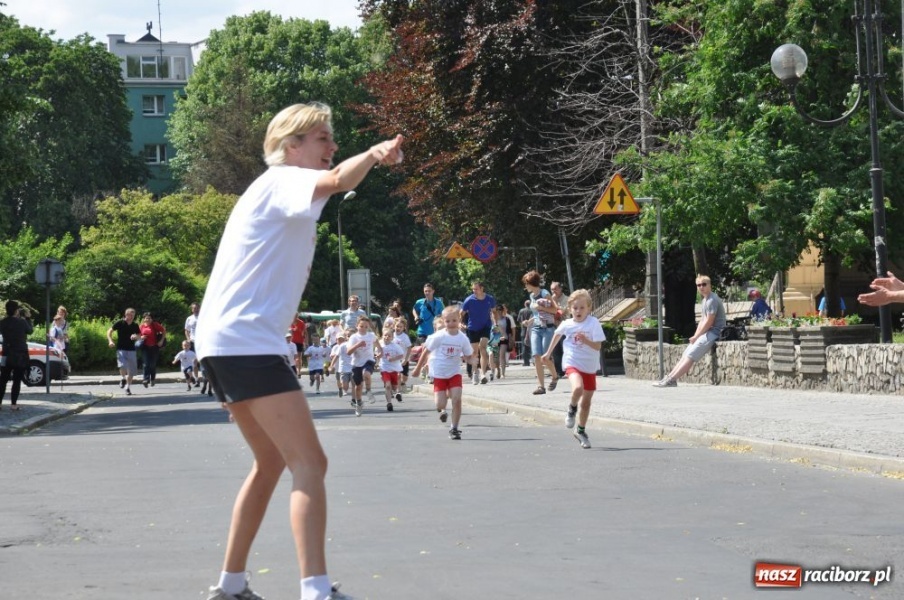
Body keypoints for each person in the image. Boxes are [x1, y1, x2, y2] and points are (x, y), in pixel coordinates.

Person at [194, 101, 404, 600]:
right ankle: (315, 590)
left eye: (332, 139)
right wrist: (373, 153)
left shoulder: (272, 190)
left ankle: (230, 585)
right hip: (245, 343)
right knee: (310, 463)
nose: (331, 146)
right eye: (323, 138)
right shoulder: (283, 180)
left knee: (270, 462)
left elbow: (329, 182)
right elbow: (337, 181)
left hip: (224, 343)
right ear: (292, 146)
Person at [542, 289, 605, 449]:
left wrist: (585, 340)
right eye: (575, 308)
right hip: (572, 362)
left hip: (589, 366)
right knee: (578, 387)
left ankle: (581, 431)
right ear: (570, 309)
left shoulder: (593, 323)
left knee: (586, 403)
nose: (578, 311)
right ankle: (571, 409)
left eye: (582, 308)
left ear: (589, 308)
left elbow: (597, 346)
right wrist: (548, 353)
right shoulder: (567, 324)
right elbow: (557, 335)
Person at [411, 306, 475, 440]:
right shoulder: (439, 336)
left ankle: (455, 428)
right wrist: (417, 368)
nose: (451, 324)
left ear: (459, 320)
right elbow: (426, 352)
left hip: (454, 372)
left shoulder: (462, 338)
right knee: (440, 404)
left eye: (454, 320)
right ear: (444, 321)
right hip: (439, 373)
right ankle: (442, 408)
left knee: (457, 399)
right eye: (448, 321)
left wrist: (472, 360)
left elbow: (468, 355)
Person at [654, 275, 726, 387]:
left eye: (704, 284)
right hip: (707, 332)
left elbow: (709, 322)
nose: (701, 287)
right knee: (686, 353)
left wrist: (697, 337)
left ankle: (672, 380)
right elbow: (702, 321)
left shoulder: (712, 300)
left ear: (710, 285)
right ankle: (669, 378)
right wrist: (695, 336)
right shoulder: (705, 300)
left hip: (715, 333)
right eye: (699, 285)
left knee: (691, 355)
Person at [522, 270, 559, 394]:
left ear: (530, 283)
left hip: (548, 328)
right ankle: (541, 386)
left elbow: (554, 310)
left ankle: (555, 376)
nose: (525, 286)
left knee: (545, 357)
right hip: (536, 328)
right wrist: (529, 321)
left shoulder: (544, 293)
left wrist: (542, 307)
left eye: (526, 284)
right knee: (536, 356)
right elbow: (537, 313)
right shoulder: (532, 296)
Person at [460, 280, 496, 385]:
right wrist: (461, 323)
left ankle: (483, 374)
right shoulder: (469, 300)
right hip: (472, 328)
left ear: (481, 288)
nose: (474, 291)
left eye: (476, 289)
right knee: (474, 352)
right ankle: (475, 373)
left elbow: (493, 312)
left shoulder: (490, 299)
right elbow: (461, 313)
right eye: (473, 289)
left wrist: (496, 323)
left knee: (483, 348)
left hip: (485, 326)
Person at [0, 301, 33, 410]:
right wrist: (28, 318)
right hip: (19, 354)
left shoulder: (3, 322)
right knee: (17, 380)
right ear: (16, 310)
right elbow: (30, 331)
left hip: (6, 354)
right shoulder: (22, 322)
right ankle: (13, 404)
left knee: (3, 380)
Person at [346, 316, 381, 414]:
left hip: (369, 360)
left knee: (366, 374)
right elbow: (348, 352)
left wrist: (380, 352)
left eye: (366, 326)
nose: (364, 328)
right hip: (356, 363)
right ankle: (359, 403)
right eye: (361, 326)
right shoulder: (354, 337)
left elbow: (378, 345)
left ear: (369, 326)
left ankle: (369, 391)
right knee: (358, 387)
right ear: (357, 326)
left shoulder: (371, 335)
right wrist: (358, 345)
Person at [107, 308, 141, 396]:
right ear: (126, 315)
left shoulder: (135, 325)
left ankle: (128, 387)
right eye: (131, 315)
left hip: (131, 349)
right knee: (122, 366)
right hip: (121, 348)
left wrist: (136, 336)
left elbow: (139, 335)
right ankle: (123, 378)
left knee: (131, 371)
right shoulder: (120, 323)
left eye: (133, 315)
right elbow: (109, 331)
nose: (132, 317)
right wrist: (110, 341)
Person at [377, 327, 404, 411]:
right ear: (382, 336)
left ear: (392, 337)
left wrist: (393, 359)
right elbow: (378, 355)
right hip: (384, 368)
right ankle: (389, 403)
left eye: (389, 336)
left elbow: (401, 355)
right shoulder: (380, 345)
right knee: (388, 386)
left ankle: (396, 393)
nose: (387, 337)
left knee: (394, 386)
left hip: (394, 369)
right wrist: (377, 358)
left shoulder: (395, 346)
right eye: (385, 335)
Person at [138, 312, 166, 388]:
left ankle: (152, 379)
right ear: (143, 319)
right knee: (146, 364)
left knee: (152, 365)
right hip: (145, 347)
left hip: (154, 347)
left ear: (152, 319)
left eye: (149, 318)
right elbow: (138, 336)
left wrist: (161, 341)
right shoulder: (141, 327)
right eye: (146, 318)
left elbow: (163, 331)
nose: (148, 319)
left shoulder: (155, 325)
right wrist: (141, 337)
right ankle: (146, 379)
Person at [550, 282, 568, 378]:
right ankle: (558, 371)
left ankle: (566, 370)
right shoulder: (550, 299)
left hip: (564, 328)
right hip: (553, 327)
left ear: (560, 289)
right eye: (552, 289)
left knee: (564, 349)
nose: (553, 291)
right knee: (555, 351)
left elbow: (562, 311)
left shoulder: (566, 299)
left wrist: (554, 303)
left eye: (555, 289)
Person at [328, 331, 353, 399]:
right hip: (339, 367)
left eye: (341, 339)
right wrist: (331, 366)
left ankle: (354, 398)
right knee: (340, 381)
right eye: (339, 339)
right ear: (336, 340)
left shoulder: (353, 345)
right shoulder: (336, 347)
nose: (340, 341)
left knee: (353, 383)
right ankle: (341, 389)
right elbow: (334, 356)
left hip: (351, 368)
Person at [392, 317, 412, 394]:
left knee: (405, 375)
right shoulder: (391, 335)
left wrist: (406, 359)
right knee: (397, 374)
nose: (398, 328)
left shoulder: (405, 337)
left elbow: (409, 348)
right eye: (397, 326)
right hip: (395, 359)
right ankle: (397, 388)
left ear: (404, 328)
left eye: (400, 327)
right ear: (394, 326)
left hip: (404, 359)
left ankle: (403, 383)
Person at [185, 302, 201, 385]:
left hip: (202, 342)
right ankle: (196, 379)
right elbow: (187, 330)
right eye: (193, 308)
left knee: (201, 361)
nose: (195, 310)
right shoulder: (189, 318)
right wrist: (188, 339)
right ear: (191, 309)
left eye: (196, 308)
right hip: (193, 341)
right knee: (194, 361)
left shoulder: (204, 317)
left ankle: (208, 379)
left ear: (199, 308)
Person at [289, 314, 307, 378]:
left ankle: (299, 371)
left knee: (299, 357)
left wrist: (306, 342)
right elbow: (288, 331)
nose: (294, 317)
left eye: (296, 316)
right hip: (292, 342)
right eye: (294, 316)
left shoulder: (301, 323)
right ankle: (293, 370)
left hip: (299, 341)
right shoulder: (290, 322)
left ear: (297, 316)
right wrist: (292, 330)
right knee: (292, 356)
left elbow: (305, 332)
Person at [517, 300, 533, 366]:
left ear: (525, 304)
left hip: (523, 330)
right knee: (533, 346)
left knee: (524, 347)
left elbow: (518, 320)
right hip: (532, 330)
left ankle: (526, 362)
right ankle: (535, 361)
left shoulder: (521, 311)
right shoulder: (532, 310)